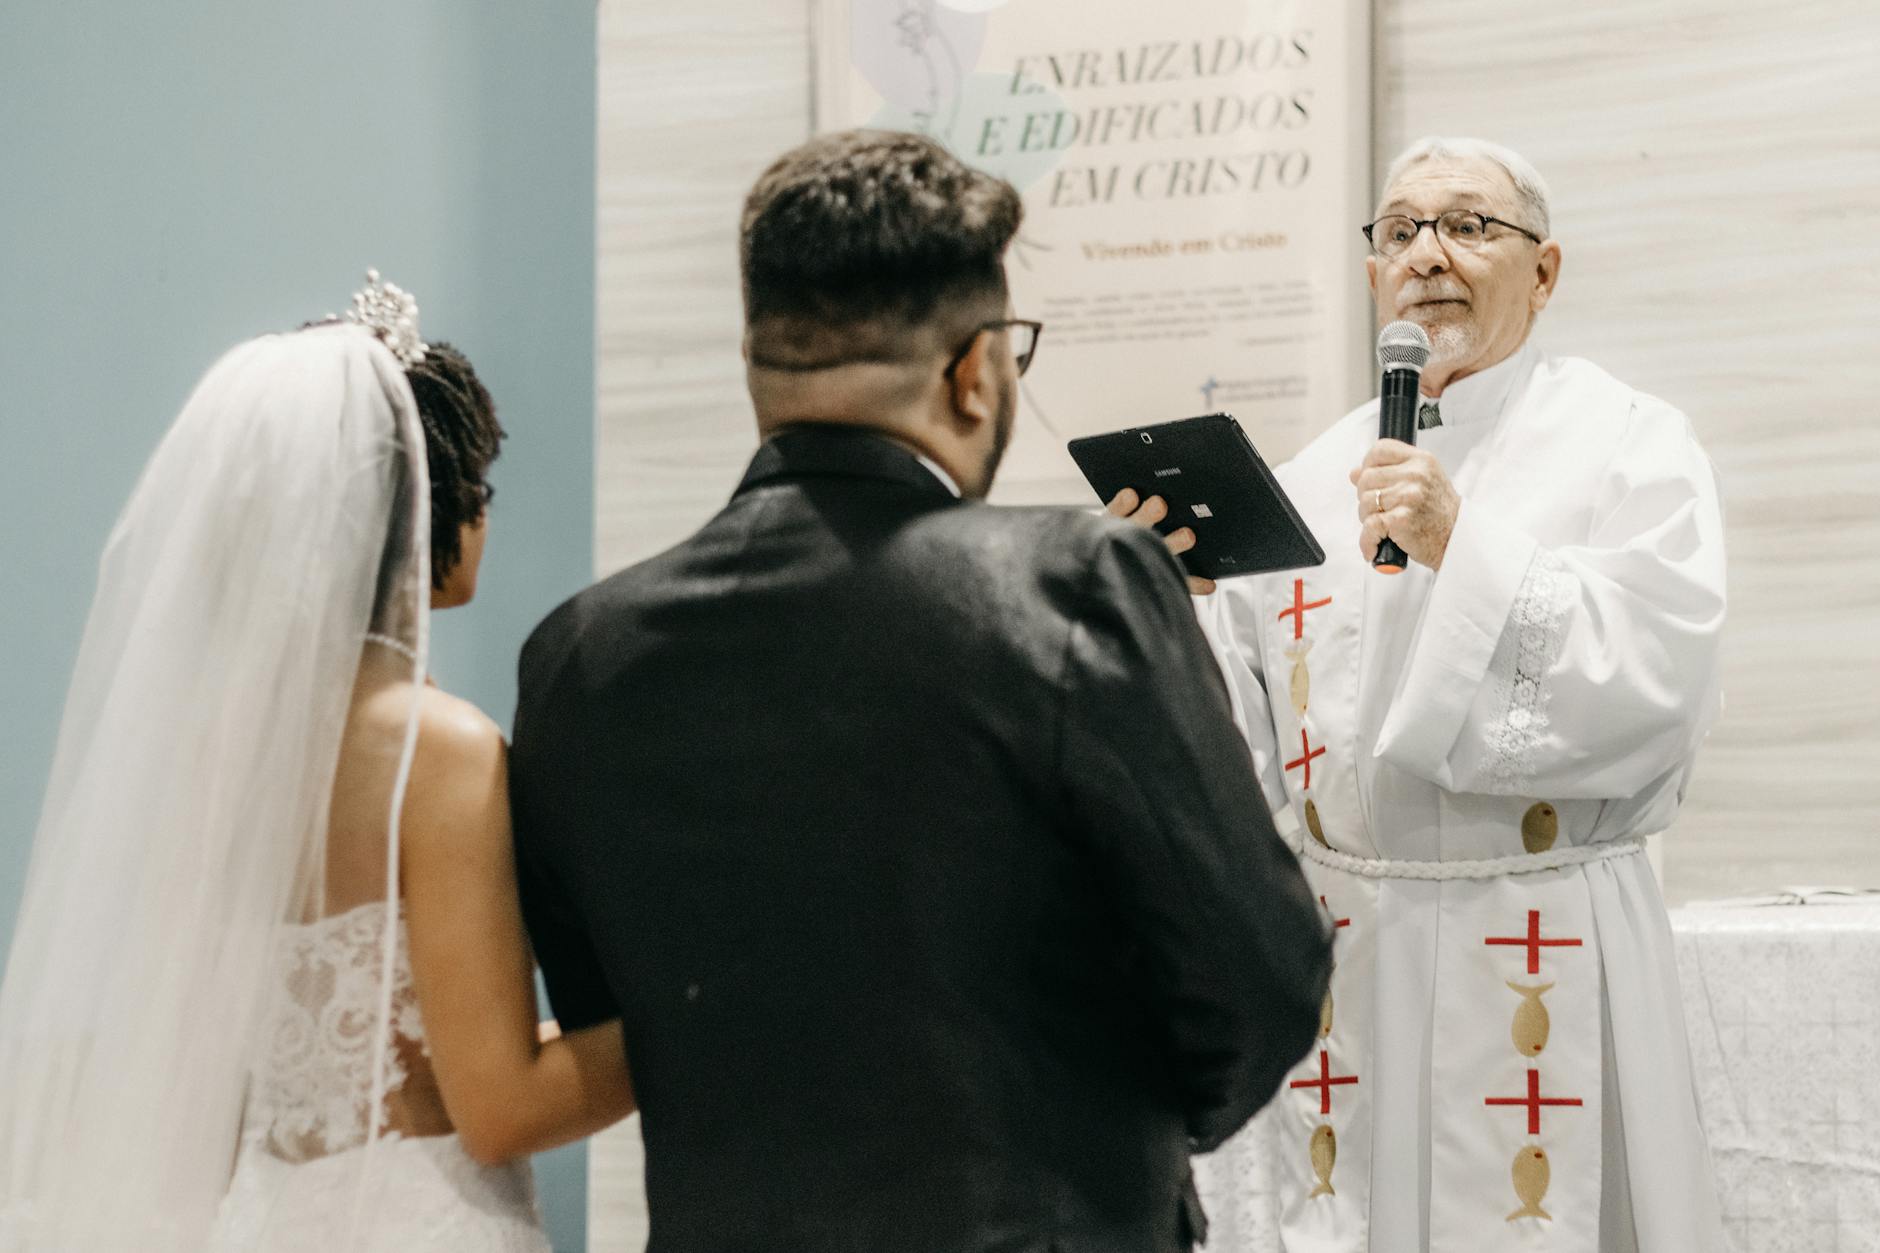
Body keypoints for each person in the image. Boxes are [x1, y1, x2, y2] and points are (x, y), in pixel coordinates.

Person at [508, 129, 1332, 1253]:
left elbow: (614, 1022)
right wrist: (1100, 1145)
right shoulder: (1071, 581)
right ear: (975, 367)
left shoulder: (576, 655)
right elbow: (1262, 972)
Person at [1115, 138, 1727, 1252]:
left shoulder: (1628, 444)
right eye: (1398, 231)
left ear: (1543, 271)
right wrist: (1170, 603)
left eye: (1466, 225)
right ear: (1369, 276)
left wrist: (1461, 545)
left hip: (1544, 930)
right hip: (1356, 957)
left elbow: (1660, 679)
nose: (1426, 254)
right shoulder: (1305, 481)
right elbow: (1244, 753)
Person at [0, 275, 634, 1252]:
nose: (486, 518)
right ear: (431, 506)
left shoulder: (207, 754)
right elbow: (499, 1106)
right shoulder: (438, 750)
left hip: (259, 1216)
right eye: (482, 488)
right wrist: (699, 1016)